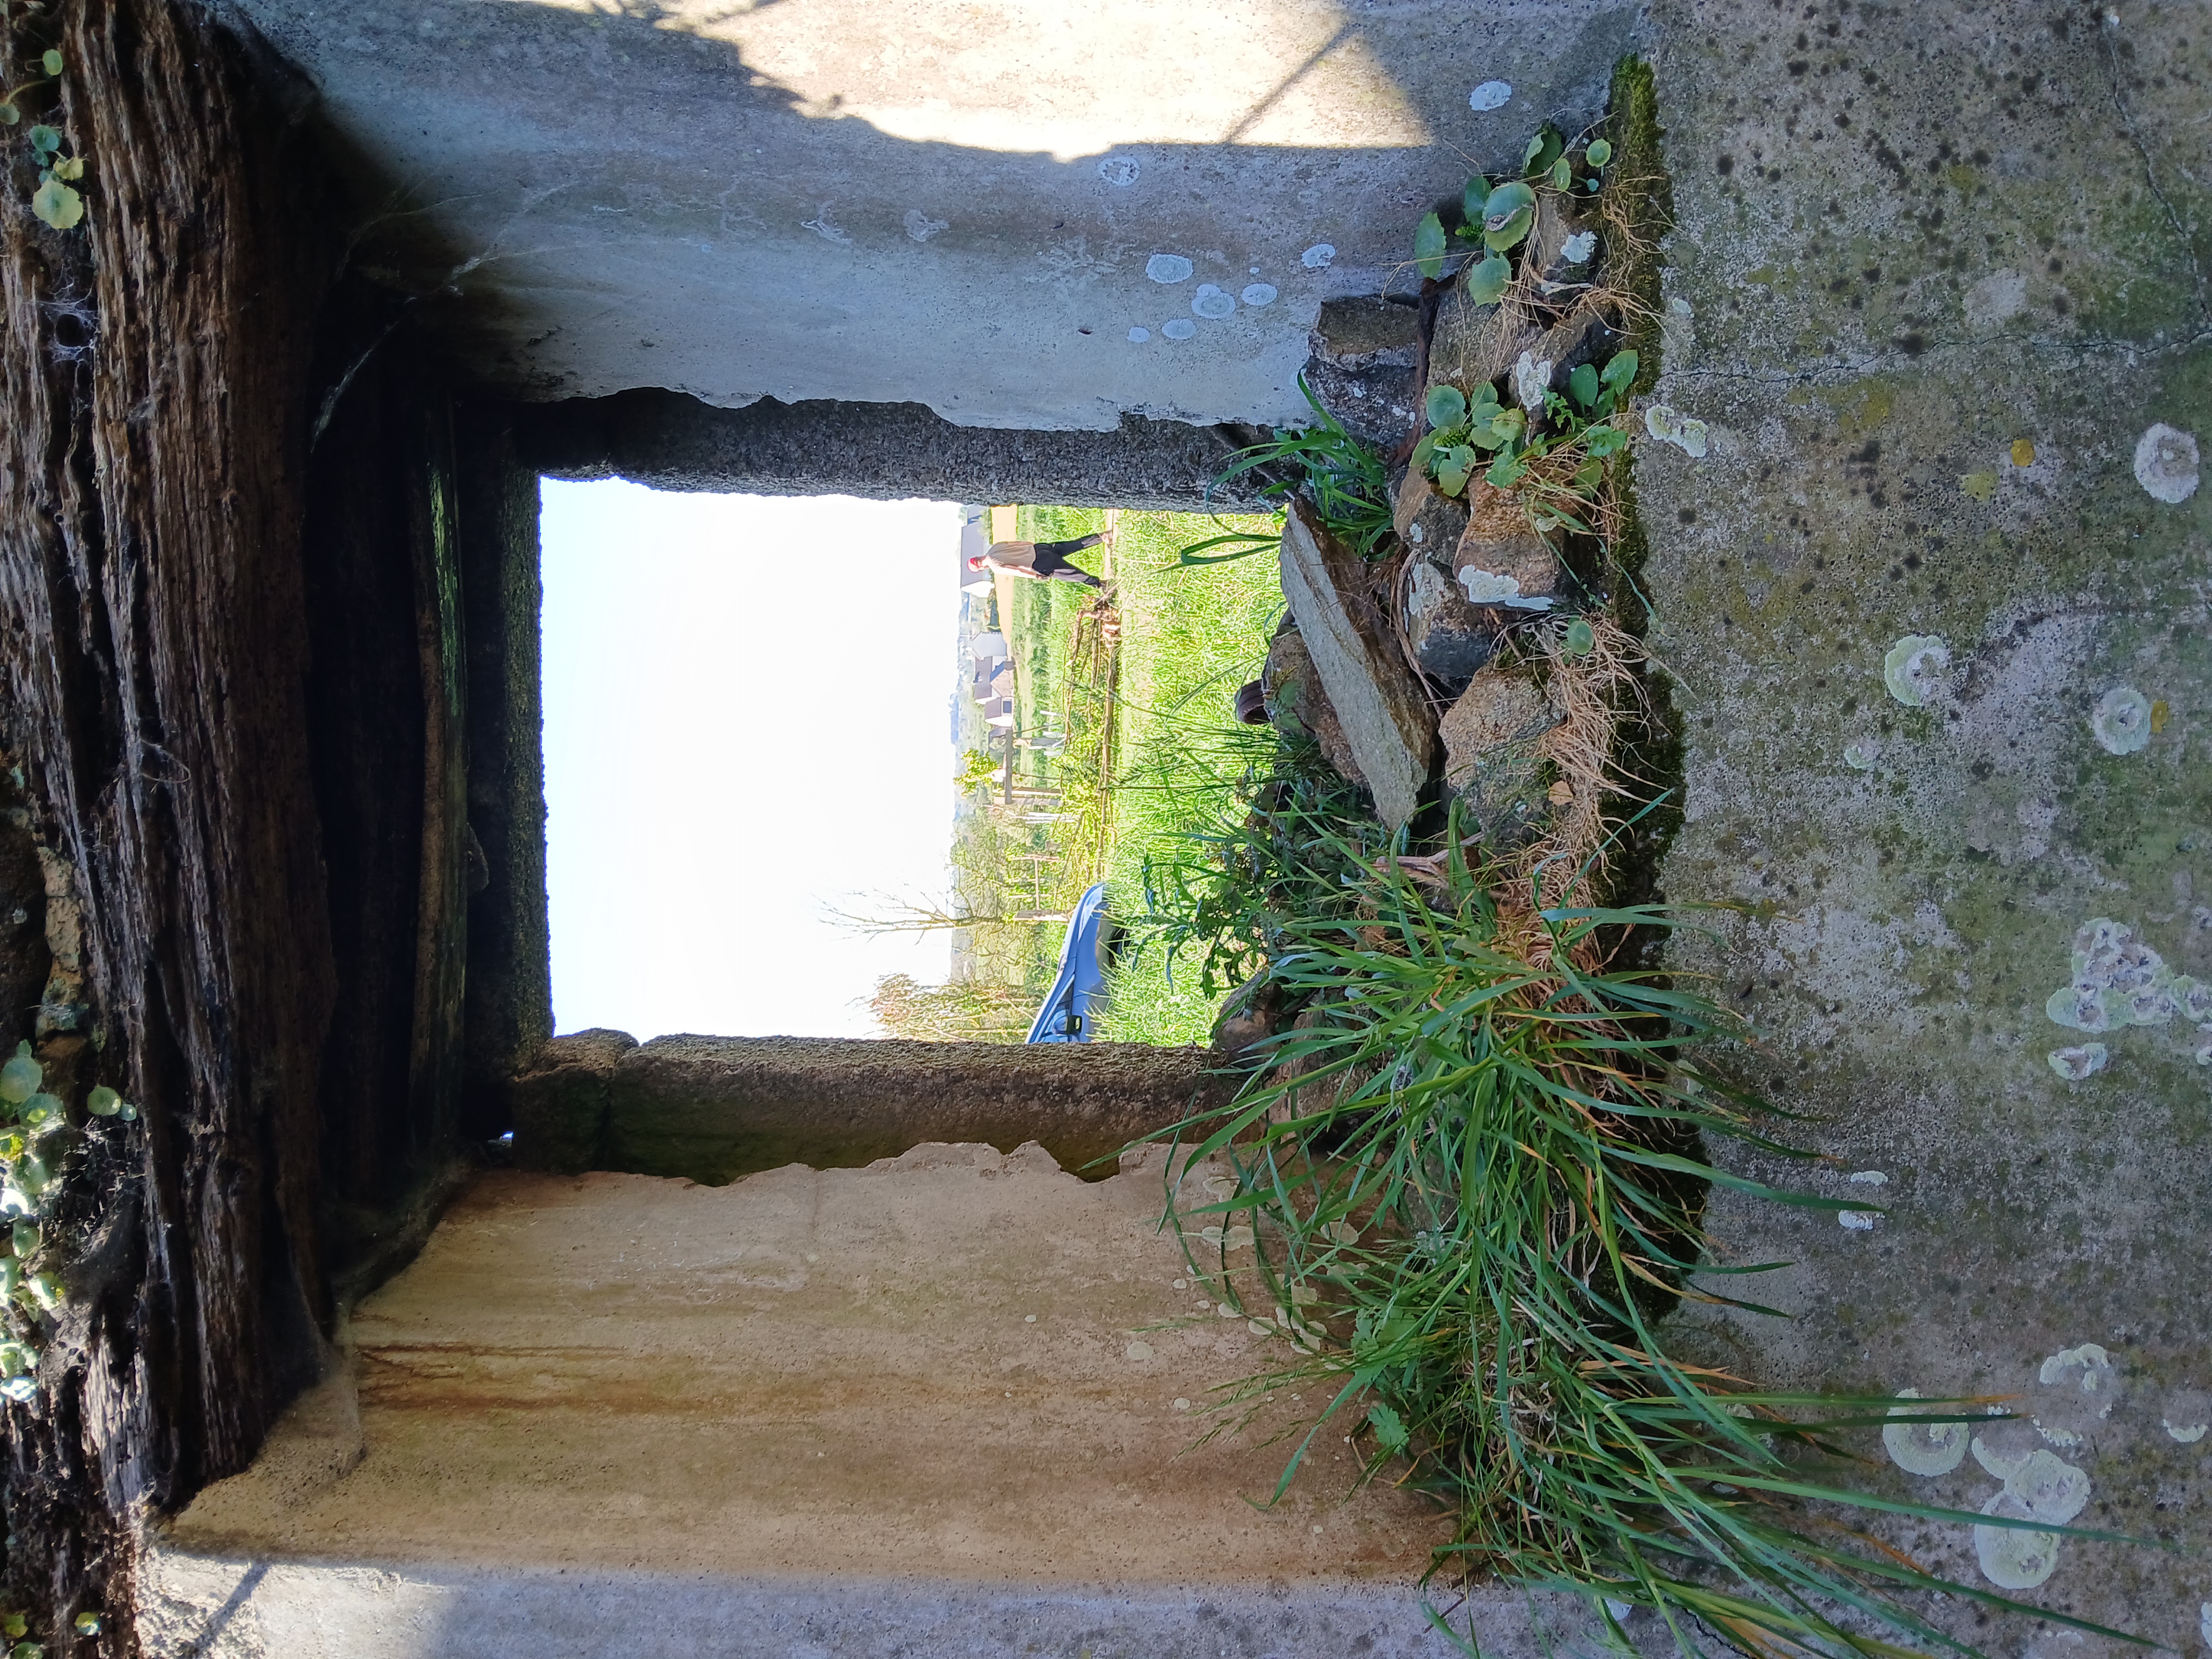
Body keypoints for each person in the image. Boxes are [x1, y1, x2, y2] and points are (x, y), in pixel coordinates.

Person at [969, 530, 1110, 587]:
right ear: (978, 557)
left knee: (1072, 574)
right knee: (1072, 545)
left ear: (981, 567)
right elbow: (1018, 543)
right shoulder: (994, 547)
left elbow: (1017, 570)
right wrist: (1033, 546)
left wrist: (1036, 577)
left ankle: (1101, 584)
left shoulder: (996, 567)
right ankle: (1102, 537)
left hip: (1039, 563)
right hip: (1039, 548)